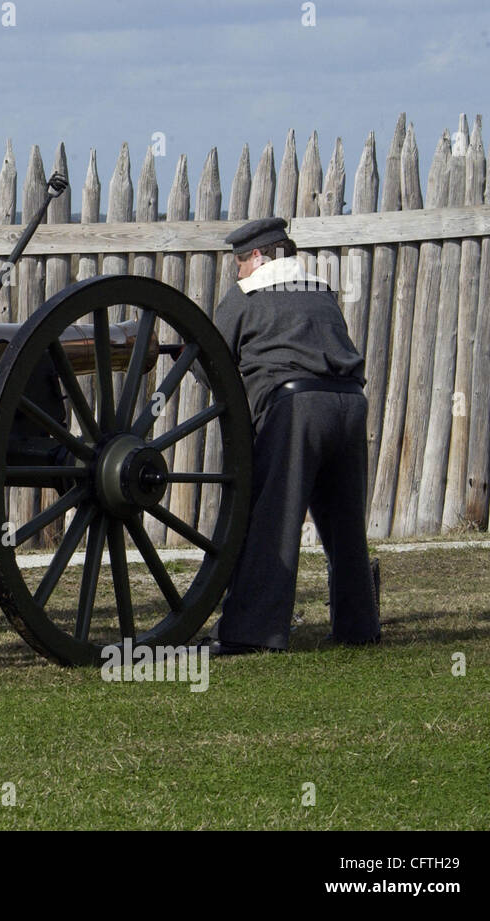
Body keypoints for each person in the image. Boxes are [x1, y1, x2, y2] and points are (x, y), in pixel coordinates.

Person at [207, 216, 380, 654]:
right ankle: (358, 626)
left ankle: (254, 633)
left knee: (274, 520)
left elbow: (210, 364)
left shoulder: (245, 295)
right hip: (349, 404)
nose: (239, 272)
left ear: (259, 257)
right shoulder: (321, 293)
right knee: (345, 526)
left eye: (240, 263)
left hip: (296, 409)